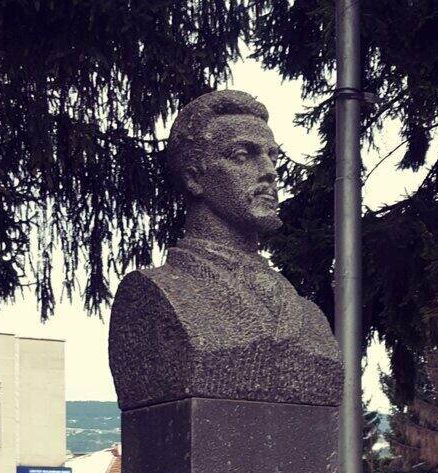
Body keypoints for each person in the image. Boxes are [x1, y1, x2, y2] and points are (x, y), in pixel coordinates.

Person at [109, 90, 340, 409]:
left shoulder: (309, 317)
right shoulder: (151, 296)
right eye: (243, 156)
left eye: (272, 156)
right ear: (194, 177)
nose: (270, 172)